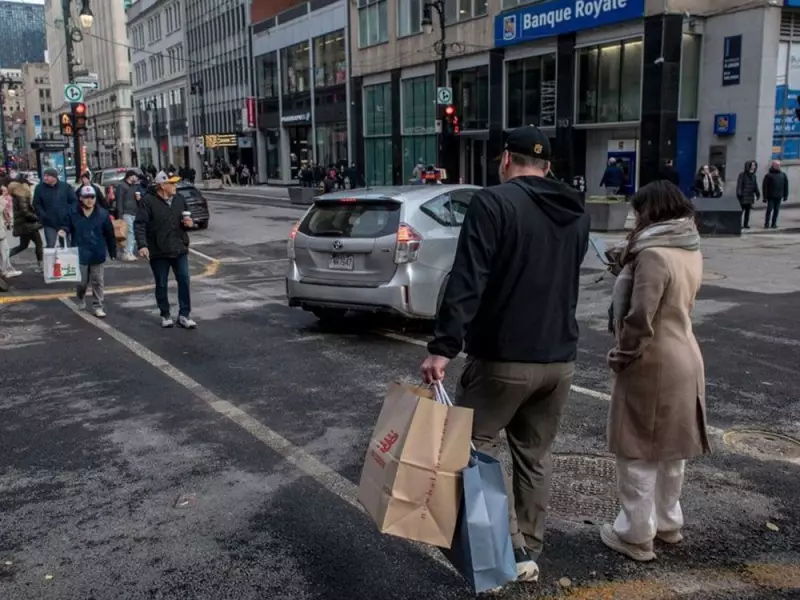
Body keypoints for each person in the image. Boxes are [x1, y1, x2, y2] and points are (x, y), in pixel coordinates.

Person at [420, 126, 590, 584]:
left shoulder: (493, 203)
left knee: (476, 449)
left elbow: (467, 278)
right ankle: (529, 548)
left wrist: (443, 347)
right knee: (535, 455)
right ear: (548, 167)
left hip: (503, 357)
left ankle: (505, 548)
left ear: (505, 161)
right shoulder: (576, 213)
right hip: (560, 358)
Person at [602, 180, 708, 562]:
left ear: (652, 211)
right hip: (686, 356)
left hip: (653, 361)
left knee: (637, 450)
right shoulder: (689, 246)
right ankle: (668, 522)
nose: (635, 217)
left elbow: (641, 315)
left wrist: (623, 354)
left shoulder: (653, 255)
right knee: (670, 450)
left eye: (638, 209)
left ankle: (636, 533)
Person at [134, 171, 197, 329]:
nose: (175, 186)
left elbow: (186, 219)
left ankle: (184, 314)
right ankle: (165, 314)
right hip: (158, 250)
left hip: (179, 247)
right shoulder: (148, 201)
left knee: (184, 280)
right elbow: (140, 224)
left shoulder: (179, 199)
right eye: (172, 183)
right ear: (162, 185)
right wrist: (142, 245)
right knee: (161, 283)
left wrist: (189, 223)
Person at [59, 186, 117, 318]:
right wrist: (64, 230)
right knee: (81, 282)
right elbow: (66, 225)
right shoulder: (73, 212)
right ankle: (81, 296)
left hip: (97, 251)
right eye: (86, 197)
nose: (90, 200)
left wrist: (112, 251)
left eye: (92, 197)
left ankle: (98, 305)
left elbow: (109, 233)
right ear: (81, 198)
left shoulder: (102, 214)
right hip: (80, 252)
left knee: (97, 280)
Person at [33, 167, 78, 247]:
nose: (45, 178)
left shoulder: (65, 187)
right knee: (51, 245)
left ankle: (65, 259)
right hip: (49, 222)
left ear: (54, 177)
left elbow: (74, 201)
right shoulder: (39, 188)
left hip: (64, 222)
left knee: (65, 245)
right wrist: (43, 214)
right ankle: (51, 260)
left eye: (47, 176)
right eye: (44, 176)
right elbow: (37, 204)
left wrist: (69, 213)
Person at [8, 174, 43, 273]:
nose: (30, 187)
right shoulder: (22, 196)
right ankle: (41, 266)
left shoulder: (17, 195)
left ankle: (4, 257)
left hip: (23, 225)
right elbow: (25, 212)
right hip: (28, 225)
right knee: (39, 244)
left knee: (23, 245)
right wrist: (36, 218)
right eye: (29, 185)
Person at [115, 169, 140, 261]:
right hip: (126, 212)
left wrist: (138, 199)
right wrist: (120, 215)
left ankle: (130, 252)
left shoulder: (134, 187)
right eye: (135, 176)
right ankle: (127, 253)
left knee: (132, 232)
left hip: (134, 212)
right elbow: (119, 201)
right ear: (130, 176)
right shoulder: (122, 186)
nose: (136, 178)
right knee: (130, 232)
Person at [0, 183, 21, 279]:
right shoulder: (2, 200)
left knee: (5, 250)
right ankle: (5, 270)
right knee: (4, 250)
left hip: (2, 229)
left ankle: (7, 269)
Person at [762, 159, 788, 229]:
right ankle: (766, 223)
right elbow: (765, 187)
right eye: (777, 165)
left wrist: (785, 195)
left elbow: (786, 186)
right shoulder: (768, 175)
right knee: (769, 209)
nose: (778, 166)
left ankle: (774, 223)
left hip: (779, 196)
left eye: (779, 165)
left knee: (776, 210)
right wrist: (765, 197)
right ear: (773, 165)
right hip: (771, 196)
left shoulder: (783, 175)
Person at [736, 160, 760, 229]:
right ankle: (738, 224)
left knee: (748, 212)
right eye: (752, 165)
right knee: (741, 211)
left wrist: (757, 193)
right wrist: (739, 193)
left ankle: (746, 224)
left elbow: (755, 185)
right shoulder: (742, 175)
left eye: (754, 165)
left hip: (750, 196)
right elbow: (739, 185)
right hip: (743, 196)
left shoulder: (754, 175)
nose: (753, 167)